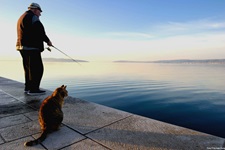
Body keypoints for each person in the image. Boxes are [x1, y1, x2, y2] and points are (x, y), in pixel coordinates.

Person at [16, 3, 53, 95]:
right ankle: (34, 89)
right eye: (40, 12)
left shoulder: (22, 17)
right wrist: (48, 41)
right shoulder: (32, 17)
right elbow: (40, 31)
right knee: (37, 69)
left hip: (22, 46)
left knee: (28, 68)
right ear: (35, 9)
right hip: (31, 47)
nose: (40, 14)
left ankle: (28, 87)